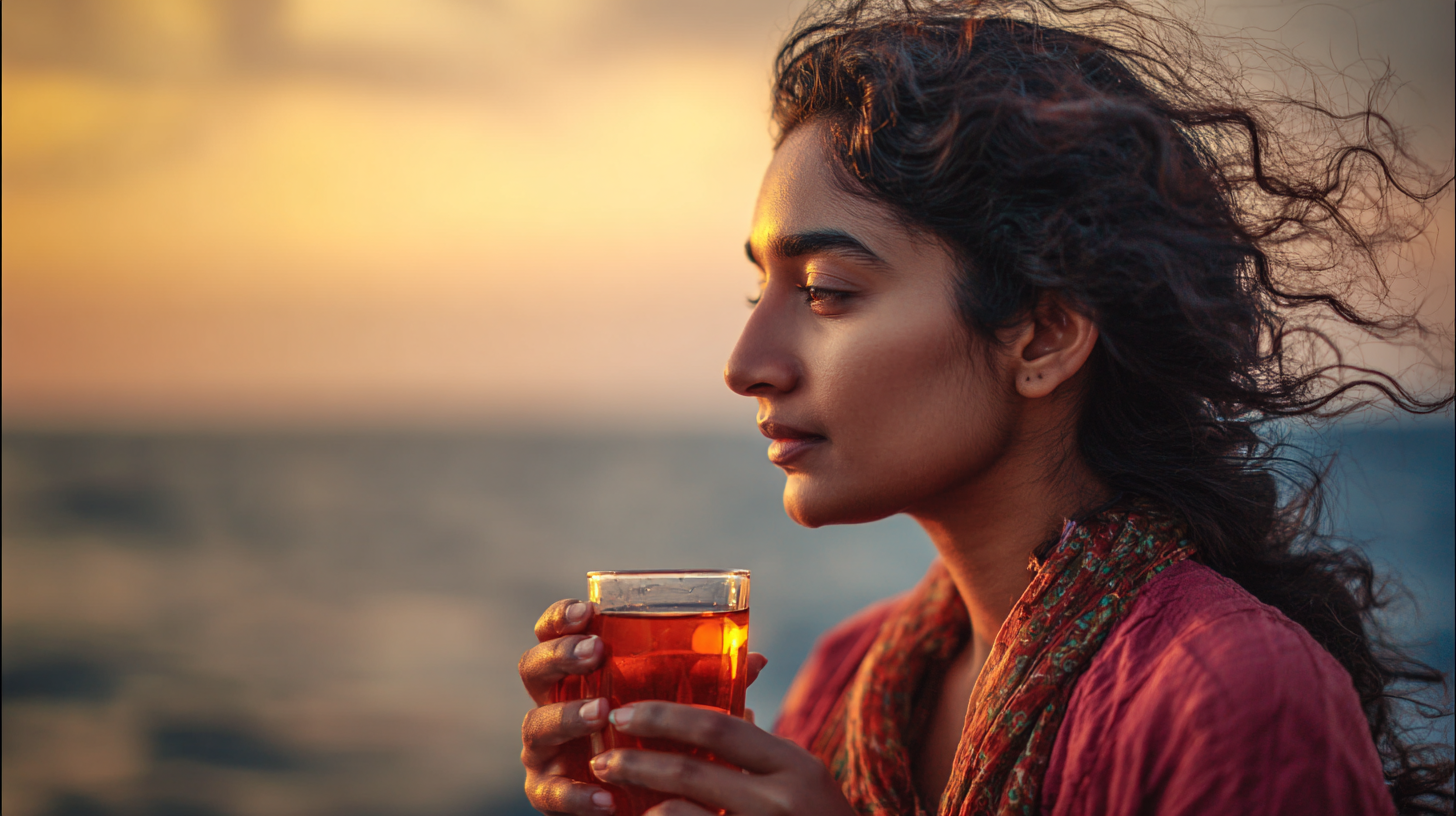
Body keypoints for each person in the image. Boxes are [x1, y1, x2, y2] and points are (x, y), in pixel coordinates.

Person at [518, 1, 1454, 813]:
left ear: (1043, 338)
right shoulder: (852, 682)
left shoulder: (1231, 695)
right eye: (757, 291)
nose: (746, 364)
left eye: (828, 291)